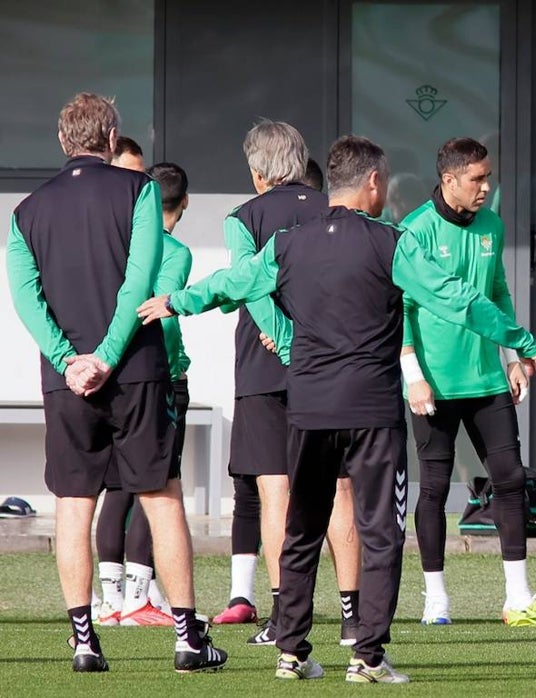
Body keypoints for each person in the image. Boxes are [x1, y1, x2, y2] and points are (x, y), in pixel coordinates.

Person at [138, 134, 536, 682]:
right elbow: (460, 300)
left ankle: (293, 652)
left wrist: (177, 301)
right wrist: (520, 339)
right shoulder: (392, 243)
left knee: (302, 529)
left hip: (307, 412)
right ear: (373, 182)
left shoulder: (289, 243)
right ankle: (368, 657)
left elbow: (232, 283)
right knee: (380, 533)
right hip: (373, 416)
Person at [7, 92, 226, 673]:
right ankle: (187, 638)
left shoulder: (27, 210)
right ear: (111, 139)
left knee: (74, 505)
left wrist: (69, 358)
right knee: (161, 496)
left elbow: (26, 300)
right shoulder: (139, 191)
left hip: (66, 379)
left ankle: (83, 641)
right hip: (137, 370)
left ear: (63, 142)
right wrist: (105, 355)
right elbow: (139, 281)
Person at [212, 121, 360, 647]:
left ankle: (283, 617)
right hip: (334, 364)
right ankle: (351, 616)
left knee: (274, 488)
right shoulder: (333, 209)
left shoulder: (243, 217)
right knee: (340, 488)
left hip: (264, 365)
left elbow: (249, 284)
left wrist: (284, 336)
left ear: (257, 172)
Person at [399, 138, 536, 625]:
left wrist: (513, 356)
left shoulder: (492, 225)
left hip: (486, 379)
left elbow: (496, 290)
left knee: (511, 480)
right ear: (449, 179)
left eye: (488, 177)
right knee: (434, 489)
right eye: (477, 178)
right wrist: (413, 376)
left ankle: (517, 594)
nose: (486, 186)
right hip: (433, 385)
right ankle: (436, 598)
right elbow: (403, 311)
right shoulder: (413, 230)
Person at [93, 136, 170, 626]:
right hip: (113, 371)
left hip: (126, 371)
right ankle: (125, 598)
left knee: (132, 486)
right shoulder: (117, 240)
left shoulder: (164, 245)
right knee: (134, 487)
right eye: (127, 169)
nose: (135, 181)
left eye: (141, 174)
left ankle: (127, 598)